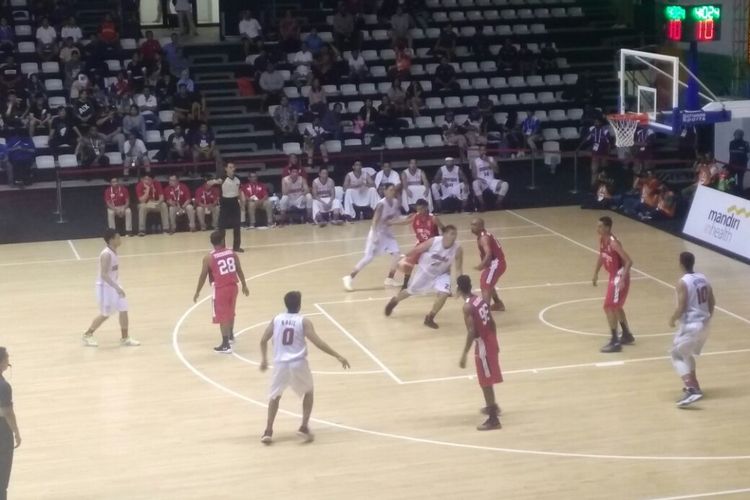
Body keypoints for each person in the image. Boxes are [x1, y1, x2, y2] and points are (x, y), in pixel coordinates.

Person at [259, 291, 350, 444]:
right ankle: (304, 427)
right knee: (308, 392)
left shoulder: (277, 319)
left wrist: (263, 359)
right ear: (299, 305)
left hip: (280, 364)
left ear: (285, 304)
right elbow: (318, 342)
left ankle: (268, 431)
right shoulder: (303, 322)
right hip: (298, 363)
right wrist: (337, 355)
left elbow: (263, 340)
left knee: (275, 397)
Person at [385, 225, 463, 329]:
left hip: (442, 274)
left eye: (455, 234)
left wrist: (460, 285)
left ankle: (430, 317)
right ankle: (394, 301)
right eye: (451, 233)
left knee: (444, 294)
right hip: (425, 271)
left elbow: (458, 269)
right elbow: (417, 249)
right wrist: (403, 256)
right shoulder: (434, 241)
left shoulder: (458, 249)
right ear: (444, 234)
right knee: (410, 291)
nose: (454, 236)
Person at [668, 252, 715, 407]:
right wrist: (707, 318)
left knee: (676, 355)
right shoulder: (703, 278)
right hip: (705, 324)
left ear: (681, 263)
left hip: (691, 325)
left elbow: (681, 307)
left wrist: (673, 318)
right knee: (686, 353)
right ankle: (695, 385)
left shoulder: (682, 282)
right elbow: (712, 301)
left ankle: (692, 389)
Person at [456, 275, 503, 430]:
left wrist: (464, 354)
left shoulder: (467, 307)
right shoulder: (480, 300)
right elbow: (492, 321)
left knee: (485, 382)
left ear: (458, 289)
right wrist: (495, 342)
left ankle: (493, 419)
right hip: (490, 339)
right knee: (487, 379)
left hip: (482, 344)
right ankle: (493, 406)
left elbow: (471, 331)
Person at [193, 230, 250, 353]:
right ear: (223, 240)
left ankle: (225, 345)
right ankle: (230, 335)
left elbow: (203, 276)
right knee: (231, 311)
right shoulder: (232, 253)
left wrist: (197, 291)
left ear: (212, 243)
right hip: (233, 287)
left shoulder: (208, 257)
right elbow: (239, 270)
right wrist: (244, 285)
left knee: (223, 316)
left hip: (221, 289)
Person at [82, 229, 141, 347]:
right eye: (118, 238)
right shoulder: (106, 254)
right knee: (105, 314)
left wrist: (118, 286)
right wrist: (117, 288)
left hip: (115, 285)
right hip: (105, 287)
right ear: (111, 240)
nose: (120, 240)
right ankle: (88, 334)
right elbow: (104, 275)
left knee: (124, 309)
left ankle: (125, 338)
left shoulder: (114, 251)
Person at [343, 184, 402, 290]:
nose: (393, 192)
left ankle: (390, 279)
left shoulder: (396, 202)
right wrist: (374, 235)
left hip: (387, 233)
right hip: (377, 232)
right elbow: (374, 221)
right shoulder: (381, 204)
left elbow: (397, 218)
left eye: (394, 190)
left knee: (397, 254)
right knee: (368, 257)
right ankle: (349, 277)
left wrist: (409, 218)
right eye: (390, 190)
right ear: (385, 191)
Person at [592, 216, 635, 353]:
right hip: (613, 276)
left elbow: (629, 261)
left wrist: (622, 279)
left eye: (600, 226)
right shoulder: (602, 240)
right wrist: (596, 272)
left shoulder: (613, 243)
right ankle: (627, 335)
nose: (597, 228)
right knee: (616, 307)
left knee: (609, 307)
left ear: (607, 228)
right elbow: (601, 255)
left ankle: (615, 341)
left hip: (618, 276)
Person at [388, 198, 444, 289]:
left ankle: (444, 286)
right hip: (421, 245)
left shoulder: (433, 218)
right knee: (408, 263)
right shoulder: (415, 216)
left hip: (433, 246)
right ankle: (405, 284)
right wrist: (391, 222)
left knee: (437, 267)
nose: (419, 211)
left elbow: (444, 230)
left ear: (426, 207)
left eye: (421, 209)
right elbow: (405, 222)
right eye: (418, 209)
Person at [470, 218, 507, 311]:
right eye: (471, 224)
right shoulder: (483, 235)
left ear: (481, 226)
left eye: (474, 225)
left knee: (485, 284)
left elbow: (489, 253)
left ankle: (485, 312)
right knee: (488, 282)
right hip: (495, 264)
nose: (471, 227)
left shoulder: (483, 237)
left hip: (496, 264)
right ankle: (498, 304)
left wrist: (481, 265)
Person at [0, 346, 20, 500]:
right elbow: (7, 412)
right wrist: (16, 432)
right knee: (2, 482)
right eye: (7, 358)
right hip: (2, 436)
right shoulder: (4, 387)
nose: (9, 361)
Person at [210, 163, 243, 252]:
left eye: (233, 167)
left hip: (235, 202)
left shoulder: (238, 179)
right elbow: (215, 182)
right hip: (225, 202)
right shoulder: (223, 178)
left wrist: (242, 204)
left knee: (237, 225)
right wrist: (213, 182)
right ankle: (221, 247)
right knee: (222, 226)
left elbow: (239, 192)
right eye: (230, 167)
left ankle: (236, 247)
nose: (232, 169)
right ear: (226, 169)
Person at [728, 129, 749, 194]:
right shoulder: (731, 143)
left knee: (740, 181)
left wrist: (745, 164)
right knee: (732, 180)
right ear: (734, 135)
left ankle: (740, 194)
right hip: (732, 165)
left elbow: (748, 155)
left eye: (739, 134)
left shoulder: (746, 144)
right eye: (736, 134)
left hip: (741, 166)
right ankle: (732, 192)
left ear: (742, 135)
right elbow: (731, 154)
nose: (737, 135)